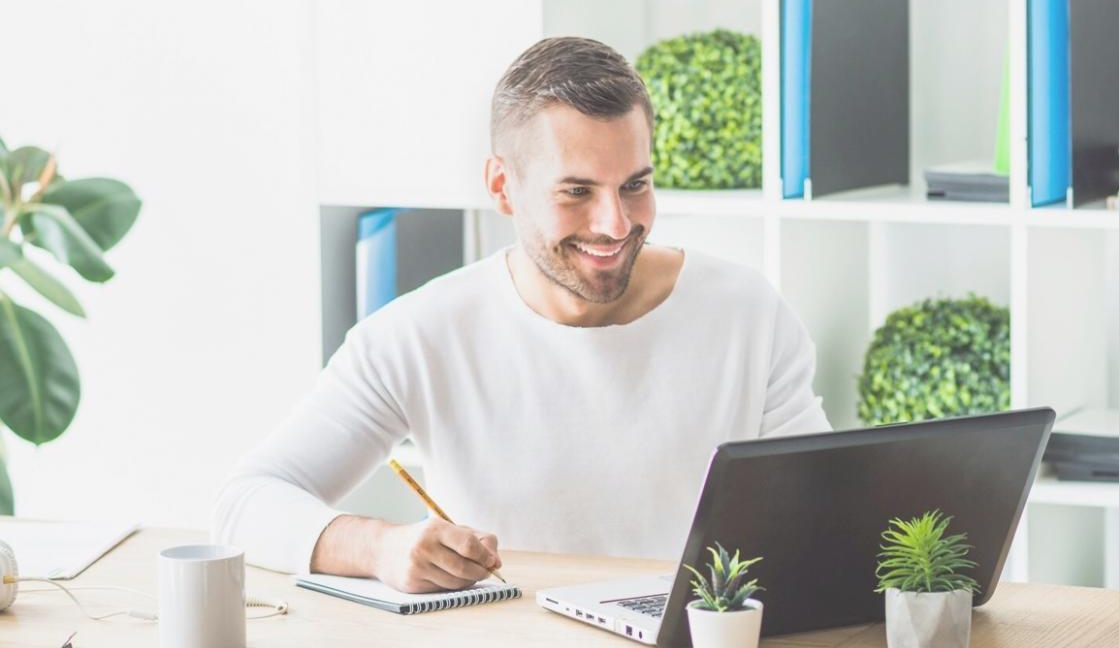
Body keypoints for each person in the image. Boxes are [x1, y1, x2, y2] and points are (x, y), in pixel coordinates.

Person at [213, 36, 831, 592]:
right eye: (577, 191)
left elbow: (825, 511)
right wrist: (378, 547)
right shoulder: (419, 334)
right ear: (502, 187)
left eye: (635, 185)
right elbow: (243, 505)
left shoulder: (747, 314)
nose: (616, 224)